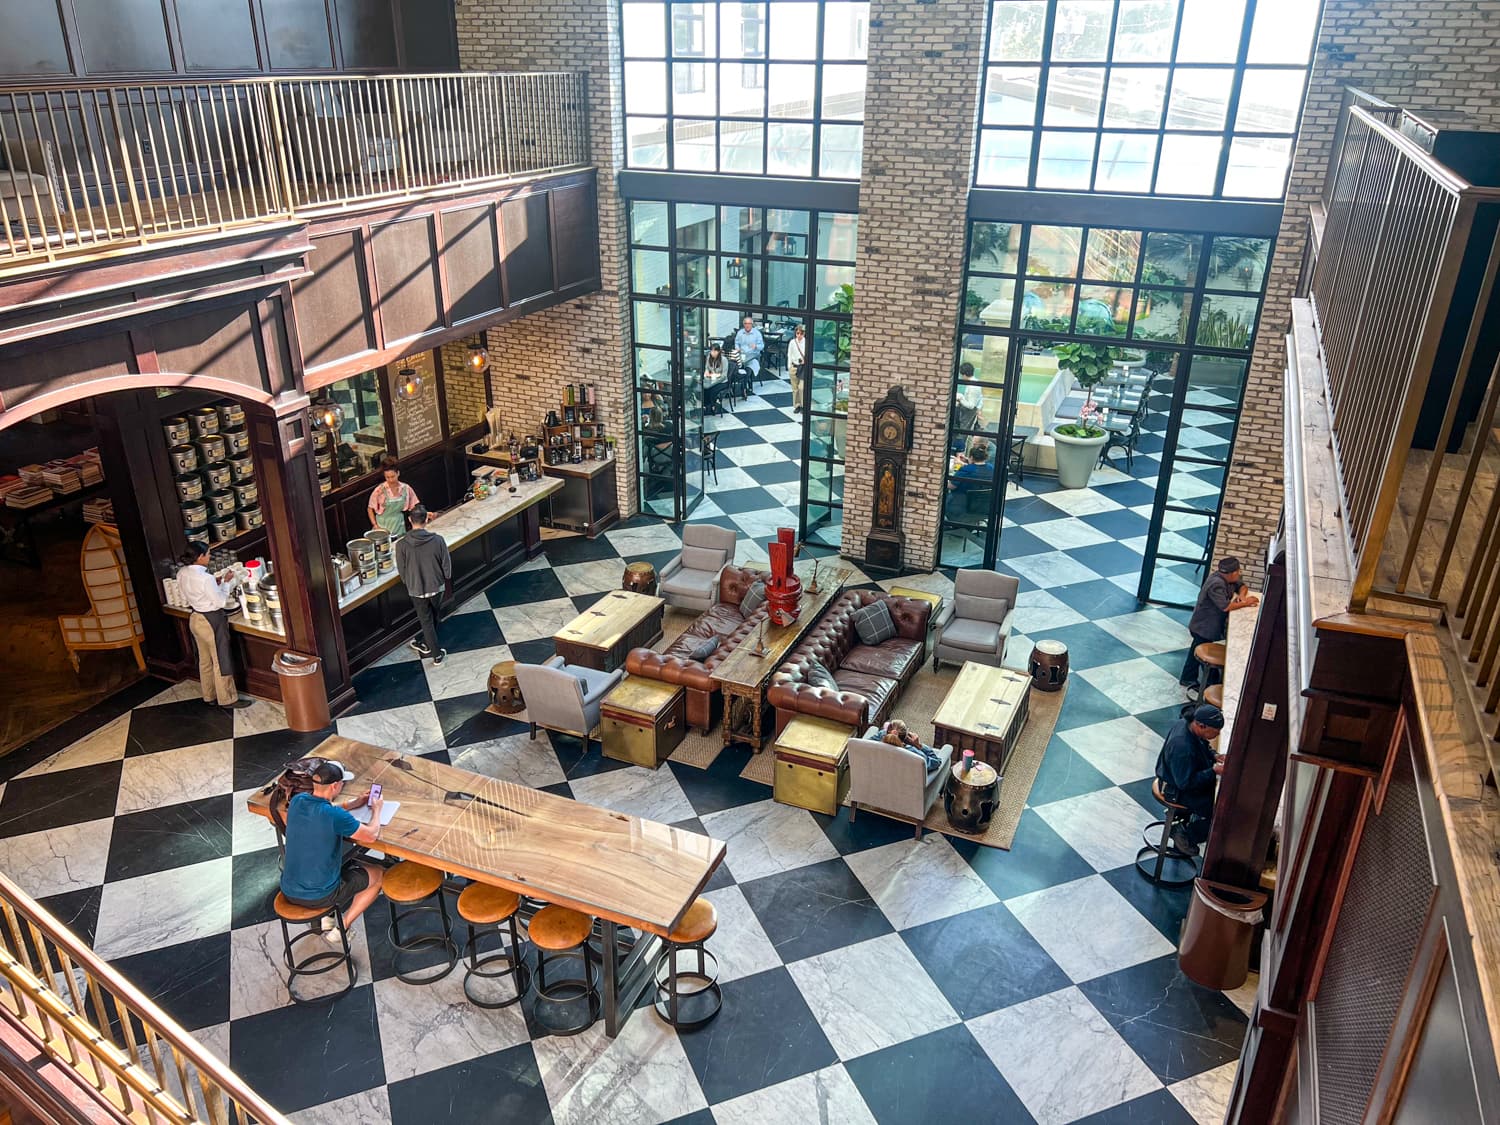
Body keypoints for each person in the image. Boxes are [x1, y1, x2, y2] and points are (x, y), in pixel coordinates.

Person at [280, 759, 385, 941]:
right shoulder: (334, 815)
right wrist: (377, 810)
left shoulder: (298, 801)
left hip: (289, 889)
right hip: (320, 895)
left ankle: (326, 920)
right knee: (379, 874)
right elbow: (371, 834)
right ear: (335, 786)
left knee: (344, 863)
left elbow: (321, 811)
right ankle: (342, 928)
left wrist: (353, 804)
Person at [175, 542, 252, 710]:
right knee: (220, 660)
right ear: (200, 557)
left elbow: (189, 594)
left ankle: (209, 695)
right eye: (208, 554)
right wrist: (225, 583)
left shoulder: (182, 573)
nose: (209, 557)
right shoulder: (205, 578)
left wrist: (214, 585)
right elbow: (221, 602)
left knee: (204, 660)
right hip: (211, 621)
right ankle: (228, 699)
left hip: (195, 618)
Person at [1153, 704, 1226, 855]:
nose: (1218, 735)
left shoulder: (1187, 725)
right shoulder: (1182, 747)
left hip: (1179, 778)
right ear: (1201, 725)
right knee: (1221, 813)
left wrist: (1214, 755)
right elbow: (1186, 783)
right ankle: (1185, 833)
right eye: (1216, 732)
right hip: (1175, 789)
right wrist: (1213, 771)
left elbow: (1202, 745)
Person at [1181, 556, 1260, 693]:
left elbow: (1242, 586)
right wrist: (1246, 602)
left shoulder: (1227, 579)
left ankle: (1195, 678)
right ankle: (1200, 680)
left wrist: (1242, 596)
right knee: (1200, 651)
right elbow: (1225, 607)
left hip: (1207, 625)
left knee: (1197, 650)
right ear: (1232, 573)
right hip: (1204, 625)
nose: (1239, 573)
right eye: (1238, 572)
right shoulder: (1216, 584)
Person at [395, 505, 451, 664]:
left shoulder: (401, 544)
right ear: (426, 520)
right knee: (433, 617)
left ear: (409, 520)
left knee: (427, 620)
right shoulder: (438, 540)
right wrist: (445, 577)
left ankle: (436, 654)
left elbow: (402, 569)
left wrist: (409, 582)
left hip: (416, 589)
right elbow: (446, 563)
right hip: (436, 586)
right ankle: (427, 644)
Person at [367, 456, 419, 538]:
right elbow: (370, 509)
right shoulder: (379, 491)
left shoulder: (406, 488)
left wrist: (422, 516)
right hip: (382, 527)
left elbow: (413, 508)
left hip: (399, 525)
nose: (391, 480)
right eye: (387, 477)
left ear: (398, 473)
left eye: (393, 476)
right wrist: (375, 525)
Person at [734, 314, 764, 381]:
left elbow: (762, 346)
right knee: (733, 366)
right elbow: (736, 343)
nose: (747, 325)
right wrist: (737, 348)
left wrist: (756, 346)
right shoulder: (740, 333)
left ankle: (746, 386)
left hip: (753, 356)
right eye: (746, 323)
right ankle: (740, 382)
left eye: (749, 323)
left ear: (752, 324)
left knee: (749, 369)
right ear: (743, 324)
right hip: (741, 356)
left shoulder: (757, 333)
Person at [787, 324, 807, 413]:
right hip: (794, 366)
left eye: (801, 333)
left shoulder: (806, 342)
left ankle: (803, 405)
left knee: (801, 388)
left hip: (803, 367)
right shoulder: (792, 342)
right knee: (795, 388)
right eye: (797, 333)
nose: (799, 335)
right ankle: (797, 405)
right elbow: (789, 354)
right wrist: (789, 367)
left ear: (804, 334)